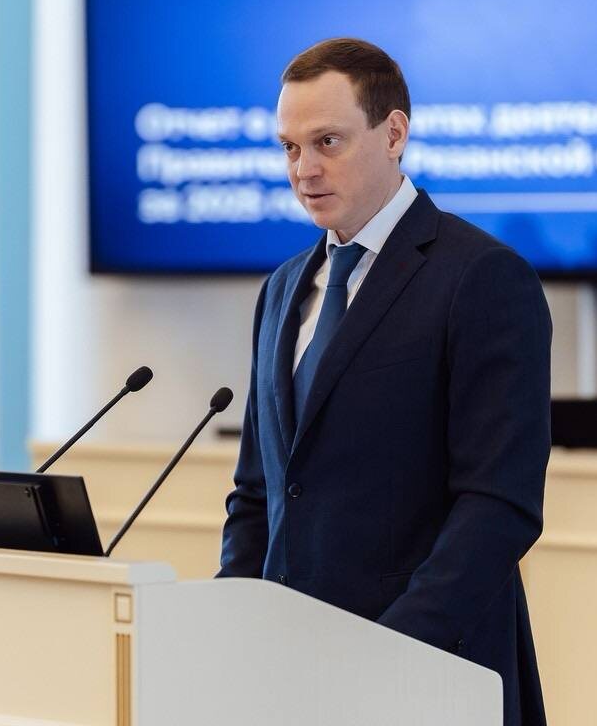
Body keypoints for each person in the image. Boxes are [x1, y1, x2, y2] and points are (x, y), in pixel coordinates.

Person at [218, 38, 551, 725]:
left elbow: (498, 505)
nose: (304, 169)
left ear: (393, 134)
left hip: (428, 676)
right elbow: (258, 494)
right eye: (289, 148)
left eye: (327, 142)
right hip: (290, 676)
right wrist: (225, 625)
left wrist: (386, 654)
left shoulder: (482, 277)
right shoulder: (281, 289)